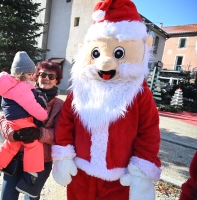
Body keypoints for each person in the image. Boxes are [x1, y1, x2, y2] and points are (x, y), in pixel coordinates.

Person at [51, 0, 161, 199]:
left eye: (119, 53)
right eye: (96, 53)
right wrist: (64, 156)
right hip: (80, 172)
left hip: (120, 177)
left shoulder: (139, 92)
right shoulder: (81, 87)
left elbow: (149, 131)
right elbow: (66, 122)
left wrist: (141, 171)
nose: (105, 62)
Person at [0, 51, 49, 198]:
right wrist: (44, 115)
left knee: (10, 146)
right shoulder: (22, 88)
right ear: (22, 74)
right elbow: (32, 107)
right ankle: (27, 181)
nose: (33, 78)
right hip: (21, 122)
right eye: (31, 74)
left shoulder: (9, 87)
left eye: (51, 76)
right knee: (34, 144)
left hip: (14, 121)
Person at [0, 61, 64, 200]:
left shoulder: (59, 106)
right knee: (7, 197)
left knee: (31, 198)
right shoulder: (20, 93)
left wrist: (39, 134)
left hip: (40, 162)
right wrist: (13, 134)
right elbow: (2, 120)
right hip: (16, 156)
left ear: (56, 81)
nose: (46, 78)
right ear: (36, 76)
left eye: (51, 76)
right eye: (42, 74)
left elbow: (60, 134)